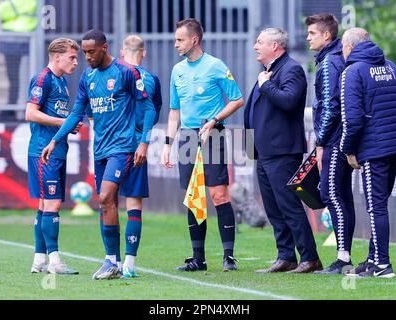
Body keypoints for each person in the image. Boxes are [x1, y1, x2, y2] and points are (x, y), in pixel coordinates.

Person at [41, 30, 149, 280]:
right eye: (84, 52)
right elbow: (76, 113)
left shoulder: (125, 72)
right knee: (106, 203)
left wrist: (143, 141)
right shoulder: (87, 77)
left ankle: (113, 261)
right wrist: (56, 140)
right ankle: (112, 260)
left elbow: (149, 106)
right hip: (100, 150)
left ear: (104, 47)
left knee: (104, 196)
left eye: (91, 52)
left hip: (123, 147)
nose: (87, 57)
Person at [161, 18, 244, 272]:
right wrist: (167, 144)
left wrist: (215, 120)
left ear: (194, 40)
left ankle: (228, 257)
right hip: (186, 137)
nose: (175, 44)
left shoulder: (215, 66)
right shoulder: (177, 70)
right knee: (193, 197)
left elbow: (237, 99)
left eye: (179, 39)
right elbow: (174, 111)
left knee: (219, 194)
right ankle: (198, 259)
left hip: (213, 134)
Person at [245, 28, 322, 274]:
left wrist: (266, 86)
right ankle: (286, 256)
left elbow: (289, 101)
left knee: (289, 205)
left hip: (282, 150)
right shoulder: (266, 72)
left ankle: (310, 258)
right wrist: (250, 147)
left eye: (260, 42)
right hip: (263, 150)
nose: (256, 45)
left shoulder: (291, 69)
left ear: (275, 46)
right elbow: (254, 112)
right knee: (273, 207)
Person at [339, 28, 396, 278]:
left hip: (373, 148)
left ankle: (382, 265)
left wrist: (348, 150)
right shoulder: (390, 66)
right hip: (394, 146)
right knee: (379, 204)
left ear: (349, 47)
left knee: (375, 206)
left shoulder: (352, 71)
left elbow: (352, 118)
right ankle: (373, 259)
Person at [26, 38, 82, 275]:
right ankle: (55, 261)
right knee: (53, 203)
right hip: (43, 151)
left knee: (44, 204)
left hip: (57, 150)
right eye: (72, 57)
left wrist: (69, 125)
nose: (76, 62)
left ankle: (39, 260)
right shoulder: (43, 79)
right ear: (57, 57)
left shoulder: (62, 82)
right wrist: (64, 122)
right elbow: (30, 113)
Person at [305, 13, 355, 274]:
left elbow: (332, 107)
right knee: (340, 196)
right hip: (339, 139)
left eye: (312, 33)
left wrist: (321, 142)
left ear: (327, 35)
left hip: (335, 141)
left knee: (332, 194)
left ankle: (344, 258)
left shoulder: (330, 63)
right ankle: (344, 256)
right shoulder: (333, 58)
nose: (307, 37)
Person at [111, 35, 160, 278]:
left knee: (106, 201)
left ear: (121, 52)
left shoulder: (112, 73)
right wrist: (144, 141)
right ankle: (129, 263)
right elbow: (153, 110)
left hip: (111, 147)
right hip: (136, 147)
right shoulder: (151, 79)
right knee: (133, 204)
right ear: (144, 53)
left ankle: (111, 260)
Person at [0, 0, 38, 121]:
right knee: (14, 78)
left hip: (18, 40)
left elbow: (1, 9)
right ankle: (12, 107)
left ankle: (16, 109)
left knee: (18, 78)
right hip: (15, 40)